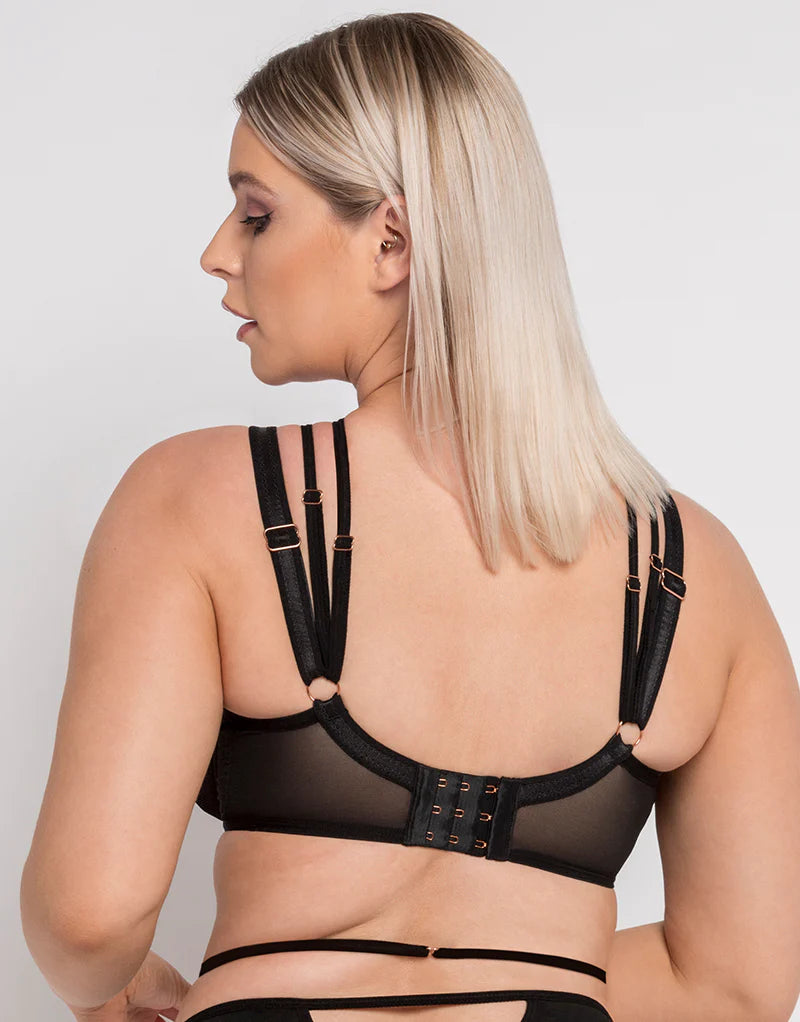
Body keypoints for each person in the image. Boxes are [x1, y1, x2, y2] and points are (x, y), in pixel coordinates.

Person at [19, 11, 800, 1022]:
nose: (217, 253)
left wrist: (116, 989)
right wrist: (514, 965)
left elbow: (88, 918)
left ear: (390, 240)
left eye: (254, 214)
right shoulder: (693, 571)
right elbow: (738, 980)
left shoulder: (193, 498)